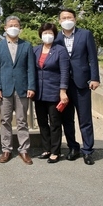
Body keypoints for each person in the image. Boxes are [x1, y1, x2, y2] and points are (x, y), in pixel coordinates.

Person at [54, 8, 100, 165]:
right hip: (63, 86)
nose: (67, 19)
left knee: (85, 118)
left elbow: (93, 58)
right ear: (59, 21)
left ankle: (88, 150)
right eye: (64, 17)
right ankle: (73, 148)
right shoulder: (55, 38)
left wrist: (95, 78)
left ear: (75, 19)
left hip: (82, 83)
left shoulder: (85, 34)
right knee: (67, 119)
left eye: (70, 17)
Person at [0, 15, 36, 165]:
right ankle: (6, 149)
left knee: (22, 120)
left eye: (16, 25)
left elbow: (31, 68)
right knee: (5, 120)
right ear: (5, 28)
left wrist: (31, 86)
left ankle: (24, 150)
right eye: (10, 25)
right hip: (4, 88)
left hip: (22, 88)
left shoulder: (26, 46)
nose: (13, 27)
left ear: (20, 27)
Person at [33, 22, 70, 163]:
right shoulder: (35, 50)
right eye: (45, 33)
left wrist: (63, 91)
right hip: (39, 93)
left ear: (54, 35)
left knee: (55, 122)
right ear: (40, 35)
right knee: (42, 122)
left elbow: (65, 72)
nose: (47, 36)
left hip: (54, 92)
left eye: (50, 33)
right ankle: (46, 148)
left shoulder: (60, 50)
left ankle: (56, 151)